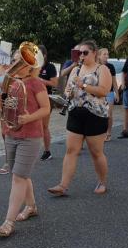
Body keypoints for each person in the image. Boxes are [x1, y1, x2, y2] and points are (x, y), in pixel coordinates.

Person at [0, 51, 50, 238]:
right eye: (16, 59)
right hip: (12, 133)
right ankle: (31, 206)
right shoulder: (12, 83)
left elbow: (46, 109)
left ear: (31, 64)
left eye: (21, 60)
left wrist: (29, 118)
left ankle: (8, 222)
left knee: (18, 177)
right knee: (21, 175)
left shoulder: (36, 83)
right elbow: (9, 108)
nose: (16, 63)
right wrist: (0, 104)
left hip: (31, 136)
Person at [47, 40, 112, 196]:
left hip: (95, 115)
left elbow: (103, 91)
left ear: (94, 53)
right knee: (71, 150)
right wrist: (68, 92)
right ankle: (63, 185)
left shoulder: (102, 69)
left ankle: (102, 182)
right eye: (79, 53)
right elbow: (68, 90)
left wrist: (83, 86)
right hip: (76, 112)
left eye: (85, 53)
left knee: (96, 152)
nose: (81, 56)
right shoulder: (76, 70)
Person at [37, 45, 58, 160]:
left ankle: (47, 151)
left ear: (44, 55)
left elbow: (54, 83)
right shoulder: (33, 66)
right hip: (33, 98)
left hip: (46, 98)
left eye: (38, 54)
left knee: (44, 126)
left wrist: (41, 81)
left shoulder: (50, 67)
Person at [97, 48, 119, 142]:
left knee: (109, 114)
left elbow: (114, 81)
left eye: (107, 54)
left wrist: (117, 93)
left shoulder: (111, 66)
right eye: (104, 54)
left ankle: (108, 133)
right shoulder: (96, 66)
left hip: (109, 93)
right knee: (98, 113)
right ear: (99, 55)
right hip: (98, 93)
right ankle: (98, 133)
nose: (106, 56)